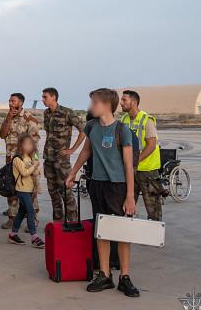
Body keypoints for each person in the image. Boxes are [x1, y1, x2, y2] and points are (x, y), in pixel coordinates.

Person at [66, 88, 139, 297]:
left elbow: (128, 166)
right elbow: (86, 151)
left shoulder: (122, 130)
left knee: (122, 232)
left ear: (106, 105)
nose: (91, 107)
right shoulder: (91, 126)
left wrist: (130, 195)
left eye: (94, 102)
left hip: (118, 186)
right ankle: (105, 275)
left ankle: (124, 277)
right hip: (97, 184)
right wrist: (72, 173)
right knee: (102, 230)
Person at [42, 87, 86, 222]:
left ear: (53, 97)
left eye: (45, 97)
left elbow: (83, 130)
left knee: (66, 192)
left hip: (61, 160)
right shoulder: (46, 113)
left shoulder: (67, 112)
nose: (43, 100)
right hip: (48, 158)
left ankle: (72, 223)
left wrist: (72, 149)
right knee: (53, 192)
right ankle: (58, 223)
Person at [120, 90, 163, 221]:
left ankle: (156, 237)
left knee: (153, 208)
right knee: (126, 206)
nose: (121, 103)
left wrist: (135, 161)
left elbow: (151, 145)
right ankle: (126, 235)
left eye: (124, 100)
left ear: (134, 103)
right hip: (131, 170)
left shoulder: (146, 119)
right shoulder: (123, 119)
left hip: (147, 171)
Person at [0, 93, 40, 229]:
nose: (10, 103)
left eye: (13, 101)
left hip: (26, 160)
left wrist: (31, 161)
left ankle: (32, 219)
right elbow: (2, 135)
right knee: (11, 188)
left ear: (21, 102)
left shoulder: (29, 118)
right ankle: (12, 217)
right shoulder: (8, 117)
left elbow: (34, 141)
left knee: (29, 190)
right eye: (9, 101)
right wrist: (8, 118)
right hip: (11, 160)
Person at [7, 135, 45, 249]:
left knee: (21, 212)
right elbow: (24, 172)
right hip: (21, 190)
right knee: (31, 211)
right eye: (26, 144)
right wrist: (33, 167)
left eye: (31, 144)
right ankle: (34, 237)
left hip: (29, 189)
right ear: (20, 146)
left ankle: (13, 234)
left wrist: (35, 168)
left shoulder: (30, 157)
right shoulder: (17, 159)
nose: (29, 146)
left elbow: (36, 172)